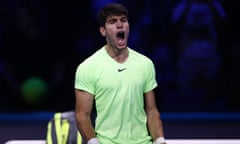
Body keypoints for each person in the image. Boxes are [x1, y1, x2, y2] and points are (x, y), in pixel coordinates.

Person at [74, 3, 166, 144]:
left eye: (123, 20)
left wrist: (159, 140)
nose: (119, 25)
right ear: (103, 31)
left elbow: (152, 111)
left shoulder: (145, 64)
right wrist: (93, 142)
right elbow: (82, 115)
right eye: (112, 22)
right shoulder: (88, 67)